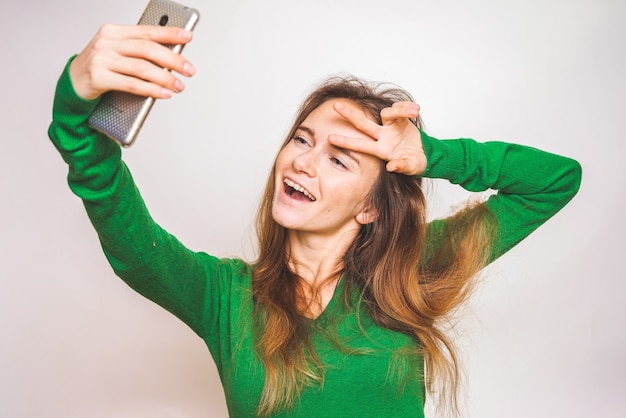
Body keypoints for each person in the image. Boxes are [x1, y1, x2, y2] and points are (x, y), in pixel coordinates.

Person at [48, 24, 582, 418]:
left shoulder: (413, 271)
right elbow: (125, 228)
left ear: (371, 206)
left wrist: (436, 155)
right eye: (302, 139)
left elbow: (555, 180)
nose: (303, 160)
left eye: (338, 158)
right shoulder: (224, 296)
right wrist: (74, 101)